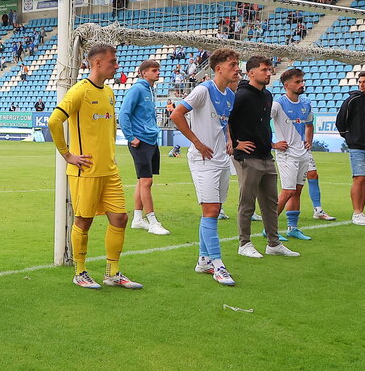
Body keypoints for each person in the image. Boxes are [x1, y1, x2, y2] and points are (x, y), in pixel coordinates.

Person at [48, 44, 142, 290]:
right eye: (112, 61)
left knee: (120, 218)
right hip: (86, 170)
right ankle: (80, 272)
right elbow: (54, 121)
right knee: (84, 221)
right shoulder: (80, 91)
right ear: (97, 63)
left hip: (109, 169)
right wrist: (68, 155)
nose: (116, 65)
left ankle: (112, 273)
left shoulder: (109, 92)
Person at [170, 48, 241, 285]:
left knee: (213, 210)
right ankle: (218, 265)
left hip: (221, 158)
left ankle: (203, 260)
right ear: (218, 68)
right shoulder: (203, 90)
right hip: (203, 160)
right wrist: (197, 142)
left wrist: (229, 139)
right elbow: (177, 115)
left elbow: (225, 122)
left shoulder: (230, 94)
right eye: (233, 64)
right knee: (211, 211)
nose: (237, 68)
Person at [229, 56, 300, 258]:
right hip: (247, 156)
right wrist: (235, 144)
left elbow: (261, 127)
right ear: (251, 73)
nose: (269, 73)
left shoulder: (267, 96)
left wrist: (269, 145)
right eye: (264, 70)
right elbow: (226, 121)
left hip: (266, 156)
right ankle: (244, 243)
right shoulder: (240, 95)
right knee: (247, 202)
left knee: (270, 203)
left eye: (270, 70)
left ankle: (273, 243)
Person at [271, 68, 328, 244]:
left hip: (302, 153)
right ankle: (269, 228)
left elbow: (309, 124)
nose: (302, 84)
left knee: (296, 192)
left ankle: (292, 228)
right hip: (287, 155)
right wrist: (272, 144)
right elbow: (260, 123)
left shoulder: (306, 103)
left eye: (302, 81)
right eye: (297, 82)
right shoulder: (277, 104)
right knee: (287, 191)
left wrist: (308, 141)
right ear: (286, 85)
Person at [119, 59, 168, 236]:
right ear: (143, 73)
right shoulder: (137, 89)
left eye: (158, 70)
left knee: (143, 180)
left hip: (150, 140)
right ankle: (153, 221)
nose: (158, 73)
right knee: (146, 181)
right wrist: (131, 137)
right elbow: (123, 113)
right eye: (154, 70)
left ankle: (138, 219)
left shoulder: (149, 90)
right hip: (141, 141)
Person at [336, 71, 365, 226]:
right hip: (357, 147)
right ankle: (356, 212)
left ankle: (362, 210)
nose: (361, 84)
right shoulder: (352, 100)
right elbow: (341, 121)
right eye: (360, 81)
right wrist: (350, 138)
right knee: (359, 178)